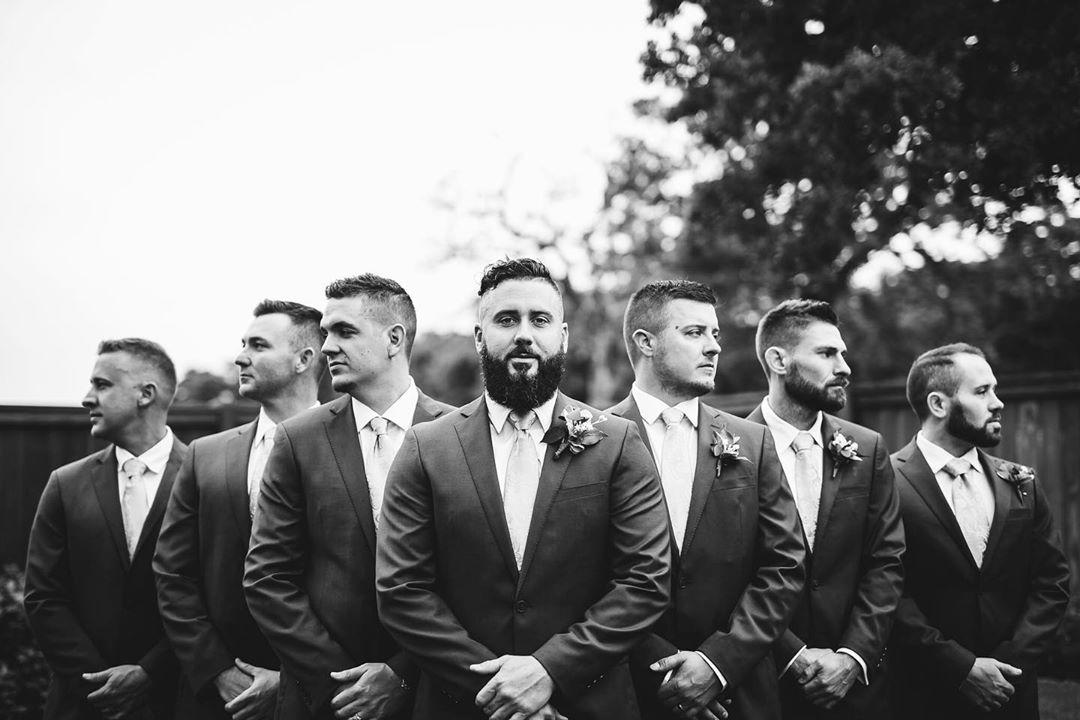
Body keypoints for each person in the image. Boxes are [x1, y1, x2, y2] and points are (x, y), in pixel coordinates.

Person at [376, 258, 672, 720]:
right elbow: (402, 589)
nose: (524, 334)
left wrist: (550, 671)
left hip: (589, 702)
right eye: (506, 319)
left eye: (540, 319)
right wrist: (497, 689)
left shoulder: (617, 442)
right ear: (479, 337)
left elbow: (645, 581)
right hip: (462, 705)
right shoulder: (425, 447)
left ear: (563, 336)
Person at [243, 275, 453, 720]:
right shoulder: (297, 440)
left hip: (432, 692)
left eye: (344, 331)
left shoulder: (458, 434)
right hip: (324, 700)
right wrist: (340, 685)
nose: (326, 348)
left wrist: (402, 676)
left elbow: (474, 575)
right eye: (325, 334)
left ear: (394, 338)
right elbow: (267, 578)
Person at [607, 280, 805, 720]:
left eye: (715, 334)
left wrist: (718, 663)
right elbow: (580, 572)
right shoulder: (593, 439)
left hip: (739, 694)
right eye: (694, 333)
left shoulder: (754, 443)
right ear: (646, 342)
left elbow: (785, 565)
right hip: (629, 691)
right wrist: (661, 669)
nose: (713, 347)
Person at [154, 300, 324, 719]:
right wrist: (216, 669)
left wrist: (294, 678)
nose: (241, 356)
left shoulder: (354, 450)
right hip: (217, 698)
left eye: (259, 345)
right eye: (243, 343)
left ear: (304, 359)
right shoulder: (204, 455)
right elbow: (173, 572)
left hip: (319, 694)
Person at [891, 343, 1069, 720]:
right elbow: (886, 588)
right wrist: (961, 668)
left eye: (995, 389)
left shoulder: (1020, 482)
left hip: (1012, 694)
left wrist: (1008, 666)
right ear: (938, 404)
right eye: (982, 391)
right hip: (925, 694)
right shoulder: (886, 482)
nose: (998, 402)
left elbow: (1052, 582)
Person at [746, 299, 904, 719]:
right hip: (763, 680)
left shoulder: (868, 450)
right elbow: (724, 570)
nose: (844, 367)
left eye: (843, 354)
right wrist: (794, 656)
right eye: (826, 353)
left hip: (857, 687)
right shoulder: (728, 451)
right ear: (778, 360)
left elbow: (886, 562)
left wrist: (853, 656)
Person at [25, 338, 187, 719]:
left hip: (173, 701)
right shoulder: (64, 484)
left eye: (102, 384)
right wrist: (98, 685)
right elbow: (42, 597)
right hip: (81, 704)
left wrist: (149, 673)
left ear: (145, 394)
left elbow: (215, 595)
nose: (86, 397)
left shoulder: (205, 477)